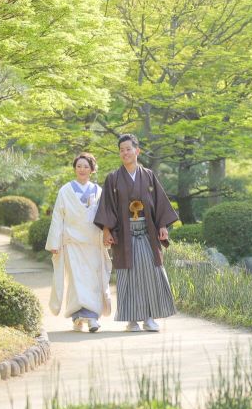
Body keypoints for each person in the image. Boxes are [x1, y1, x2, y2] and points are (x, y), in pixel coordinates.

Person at [93, 134, 178, 332]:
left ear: (137, 151)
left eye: (128, 149)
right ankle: (132, 319)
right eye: (122, 150)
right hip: (124, 235)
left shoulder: (148, 175)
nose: (125, 153)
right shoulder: (113, 178)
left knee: (151, 273)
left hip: (147, 233)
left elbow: (159, 203)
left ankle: (149, 318)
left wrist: (163, 225)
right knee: (128, 275)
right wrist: (106, 230)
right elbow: (107, 206)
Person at [45, 153, 112, 332]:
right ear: (75, 168)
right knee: (76, 280)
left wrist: (107, 235)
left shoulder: (98, 191)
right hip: (72, 242)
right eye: (79, 166)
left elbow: (105, 215)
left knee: (93, 280)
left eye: (86, 166)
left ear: (92, 169)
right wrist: (54, 242)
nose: (82, 169)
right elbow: (58, 217)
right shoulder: (65, 190)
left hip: (93, 242)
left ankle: (92, 317)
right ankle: (78, 315)